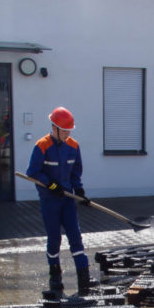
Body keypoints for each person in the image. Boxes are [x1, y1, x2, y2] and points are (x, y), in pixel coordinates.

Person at [26, 106, 94, 296]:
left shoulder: (73, 146)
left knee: (75, 237)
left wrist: (79, 190)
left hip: (67, 201)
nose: (67, 133)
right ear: (54, 127)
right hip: (50, 200)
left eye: (69, 130)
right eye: (64, 130)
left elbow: (75, 173)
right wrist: (51, 185)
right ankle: (55, 275)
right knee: (54, 238)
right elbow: (33, 172)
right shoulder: (42, 146)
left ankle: (84, 278)